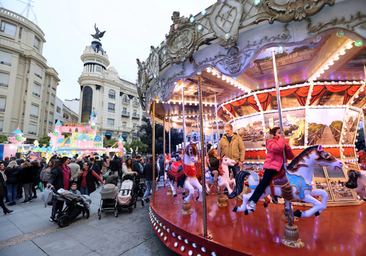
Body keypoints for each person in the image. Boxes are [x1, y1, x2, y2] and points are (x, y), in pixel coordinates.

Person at [245, 127, 295, 213]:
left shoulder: (283, 142)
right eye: (279, 133)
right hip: (272, 167)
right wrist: (282, 139)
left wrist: (287, 147)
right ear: (274, 134)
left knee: (288, 184)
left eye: (281, 133)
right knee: (264, 183)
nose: (281, 134)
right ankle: (252, 201)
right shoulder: (270, 141)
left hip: (282, 167)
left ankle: (286, 203)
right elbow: (277, 148)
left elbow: (291, 156)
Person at [47, 157, 72, 222]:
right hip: (58, 188)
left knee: (61, 202)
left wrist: (70, 179)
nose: (68, 161)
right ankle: (52, 216)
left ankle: (59, 214)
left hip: (66, 188)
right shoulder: (58, 168)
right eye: (67, 160)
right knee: (56, 203)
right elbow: (53, 176)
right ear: (64, 161)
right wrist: (49, 183)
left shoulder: (67, 168)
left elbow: (69, 176)